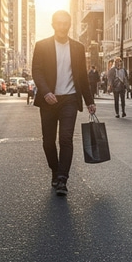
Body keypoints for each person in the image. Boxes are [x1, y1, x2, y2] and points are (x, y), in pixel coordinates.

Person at [31, 11, 96, 196]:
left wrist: (89, 101)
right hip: (48, 100)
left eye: (65, 23)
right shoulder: (42, 46)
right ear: (53, 24)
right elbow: (37, 71)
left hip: (70, 99)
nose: (62, 26)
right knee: (48, 141)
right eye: (59, 23)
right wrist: (46, 92)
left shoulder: (78, 48)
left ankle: (62, 179)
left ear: (69, 25)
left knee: (66, 139)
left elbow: (82, 77)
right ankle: (55, 170)